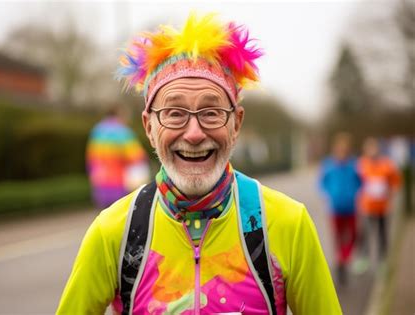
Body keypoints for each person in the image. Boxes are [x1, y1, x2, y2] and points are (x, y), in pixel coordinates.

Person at [57, 13, 341, 315]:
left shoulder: (288, 223)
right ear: (149, 127)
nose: (194, 134)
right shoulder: (112, 232)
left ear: (236, 124)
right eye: (174, 112)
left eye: (211, 112)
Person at [86, 106, 150, 208]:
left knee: (104, 217)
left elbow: (91, 157)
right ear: (119, 114)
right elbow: (136, 156)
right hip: (118, 182)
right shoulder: (122, 131)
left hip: (100, 181)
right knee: (119, 215)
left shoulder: (97, 130)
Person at [319, 132, 362, 284]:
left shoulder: (354, 165)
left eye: (344, 149)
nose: (341, 152)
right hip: (335, 208)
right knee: (337, 237)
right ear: (335, 149)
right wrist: (327, 193)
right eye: (339, 149)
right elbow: (322, 183)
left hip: (351, 207)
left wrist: (356, 193)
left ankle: (345, 258)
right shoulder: (328, 165)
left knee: (353, 235)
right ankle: (341, 261)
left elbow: (361, 182)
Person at [357, 137, 401, 262]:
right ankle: (364, 258)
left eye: (374, 148)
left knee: (383, 234)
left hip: (383, 206)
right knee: (365, 234)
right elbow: (356, 183)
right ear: (365, 150)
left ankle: (384, 260)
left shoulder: (387, 164)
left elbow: (395, 182)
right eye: (369, 148)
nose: (372, 151)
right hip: (367, 207)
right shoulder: (361, 164)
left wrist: (390, 196)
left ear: (378, 149)